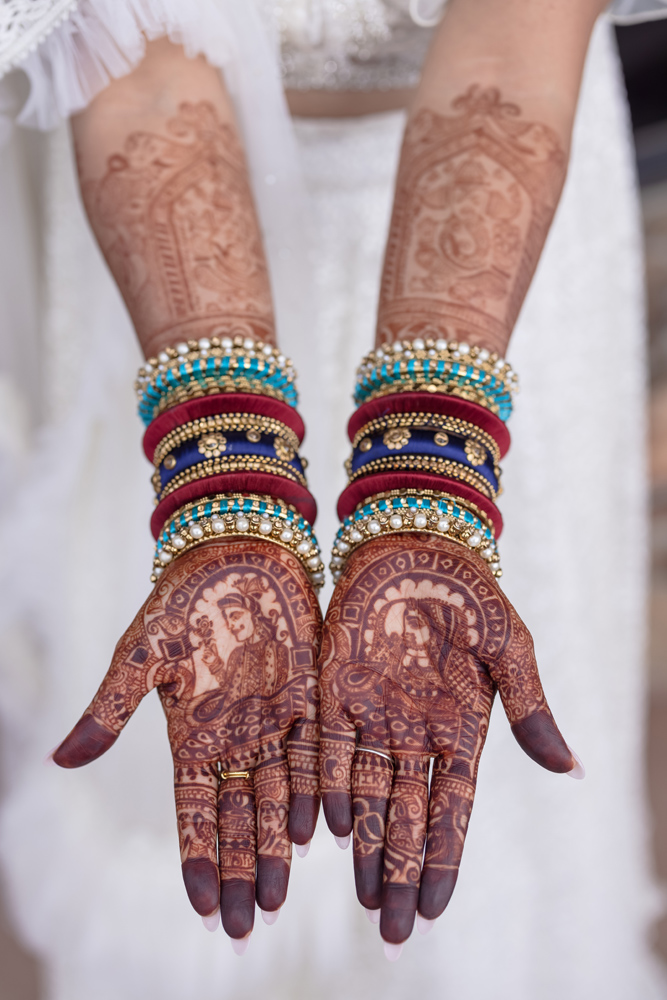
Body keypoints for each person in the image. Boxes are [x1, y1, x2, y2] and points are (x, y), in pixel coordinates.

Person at [0, 1, 665, 997]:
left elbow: (520, 25)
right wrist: (221, 482)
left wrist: (430, 469)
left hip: (501, 212)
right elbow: (132, 56)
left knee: (495, 822)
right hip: (153, 239)